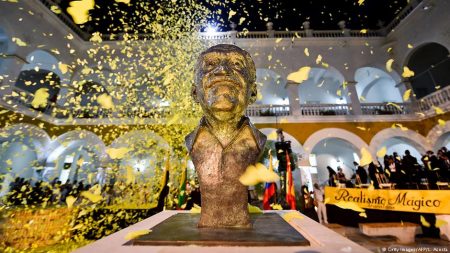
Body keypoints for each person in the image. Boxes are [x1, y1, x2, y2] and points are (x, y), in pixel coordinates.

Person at [185, 44, 266, 228]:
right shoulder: (192, 142)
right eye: (210, 64)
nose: (222, 70)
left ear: (252, 92)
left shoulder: (257, 141)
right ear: (195, 93)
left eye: (237, 64)